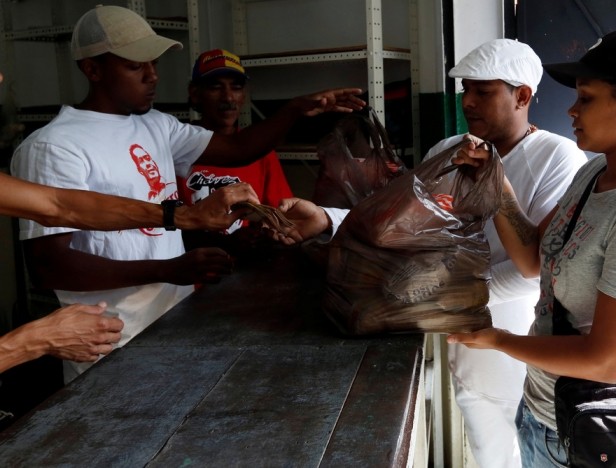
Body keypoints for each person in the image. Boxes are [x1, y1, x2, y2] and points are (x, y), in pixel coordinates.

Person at [269, 39, 587, 467]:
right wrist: (327, 219)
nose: (469, 102)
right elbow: (393, 224)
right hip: (450, 328)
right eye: (465, 91)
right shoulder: (449, 150)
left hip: (514, 336)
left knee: (519, 446)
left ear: (522, 96)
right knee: (483, 438)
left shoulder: (556, 157)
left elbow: (538, 269)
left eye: (483, 91)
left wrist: (451, 298)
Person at [10, 4, 364, 383]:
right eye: (135, 66)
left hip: (175, 323)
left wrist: (294, 110)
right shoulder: (54, 147)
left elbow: (239, 149)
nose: (152, 76)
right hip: (109, 341)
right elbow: (50, 265)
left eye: (154, 64)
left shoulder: (156, 126)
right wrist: (169, 268)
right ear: (92, 69)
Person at [446, 28, 616, 467]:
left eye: (587, 99)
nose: (571, 110)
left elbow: (606, 361)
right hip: (544, 414)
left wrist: (499, 339)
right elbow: (531, 258)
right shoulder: (594, 173)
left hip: (595, 433)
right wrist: (497, 183)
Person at [177, 48, 293, 252]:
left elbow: (280, 214)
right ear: (195, 94)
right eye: (215, 87)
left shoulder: (259, 150)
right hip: (190, 272)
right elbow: (163, 224)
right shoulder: (176, 146)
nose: (228, 97)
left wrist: (262, 234)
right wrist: (223, 243)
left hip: (245, 272)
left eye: (236, 87)